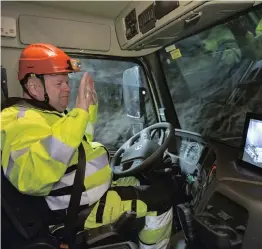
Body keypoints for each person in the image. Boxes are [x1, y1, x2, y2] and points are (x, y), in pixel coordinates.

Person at [1, 43, 173, 249]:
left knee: (139, 180)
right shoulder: (19, 119)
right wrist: (79, 112)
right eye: (59, 84)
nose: (67, 88)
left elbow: (77, 148)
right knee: (159, 200)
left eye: (67, 82)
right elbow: (33, 177)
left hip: (87, 192)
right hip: (77, 210)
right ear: (34, 86)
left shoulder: (45, 115)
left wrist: (87, 110)